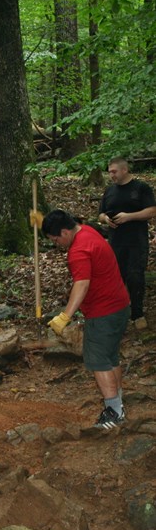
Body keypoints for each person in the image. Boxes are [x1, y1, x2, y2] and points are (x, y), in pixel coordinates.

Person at [42, 209, 130, 429]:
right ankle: (118, 402)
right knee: (110, 357)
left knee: (98, 360)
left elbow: (82, 284)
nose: (56, 244)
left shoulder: (78, 251)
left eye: (55, 239)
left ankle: (114, 412)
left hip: (104, 312)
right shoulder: (87, 231)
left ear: (64, 232)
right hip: (120, 305)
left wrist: (65, 317)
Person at [98, 157, 156, 330]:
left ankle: (137, 314)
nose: (111, 175)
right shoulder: (109, 191)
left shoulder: (141, 188)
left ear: (124, 170)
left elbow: (152, 211)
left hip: (136, 241)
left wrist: (129, 216)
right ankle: (117, 313)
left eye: (114, 171)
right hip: (116, 242)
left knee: (135, 276)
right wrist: (106, 219)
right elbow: (100, 214)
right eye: (109, 172)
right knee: (116, 278)